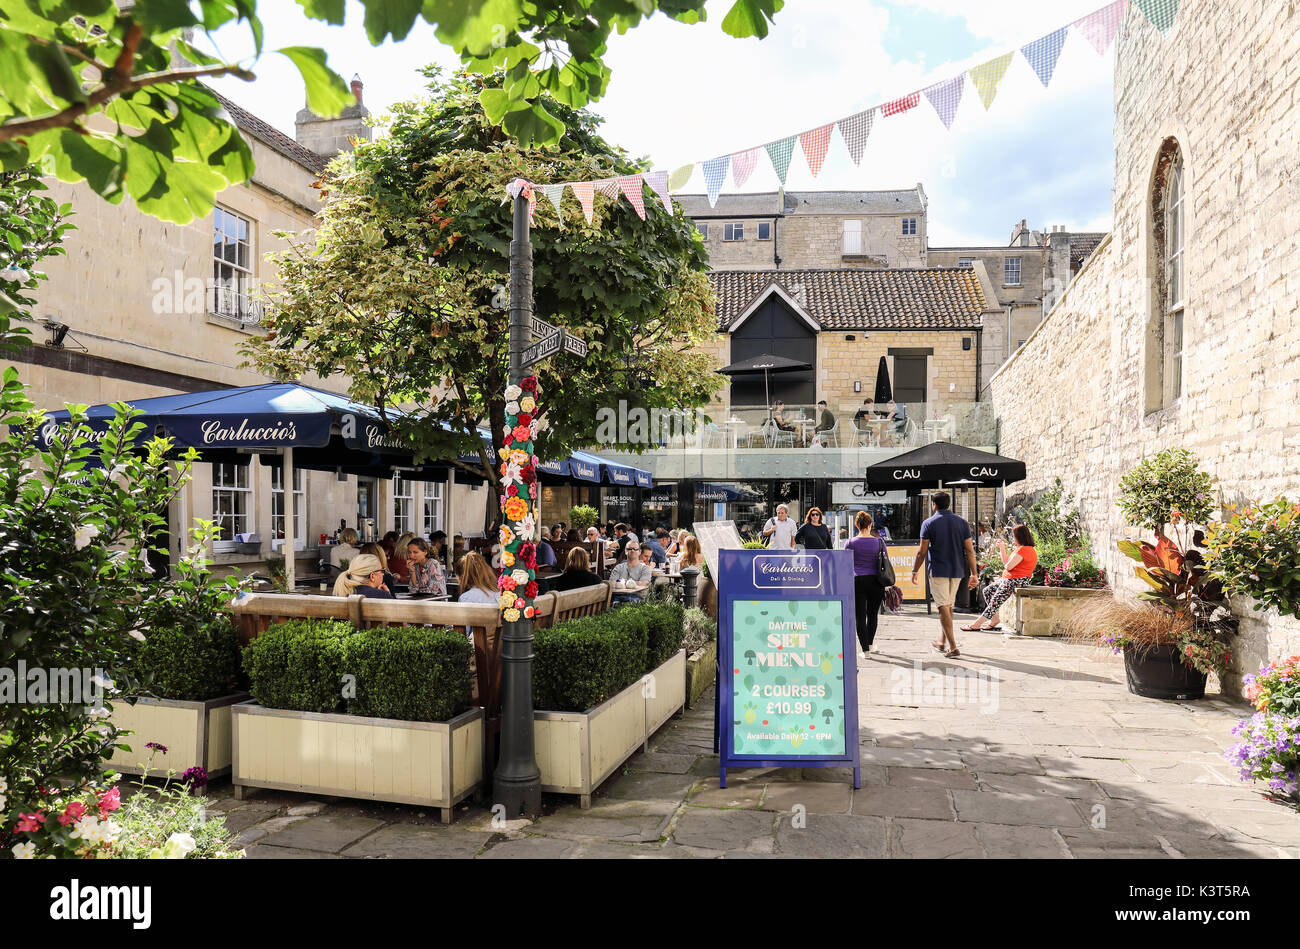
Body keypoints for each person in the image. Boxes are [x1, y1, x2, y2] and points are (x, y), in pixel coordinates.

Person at [910, 491, 978, 659]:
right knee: (947, 606)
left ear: (934, 504)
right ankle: (942, 641)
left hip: (938, 569)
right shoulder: (962, 522)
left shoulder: (928, 523)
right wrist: (974, 574)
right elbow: (970, 550)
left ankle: (953, 647)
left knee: (942, 607)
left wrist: (915, 570)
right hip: (956, 570)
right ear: (949, 504)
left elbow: (922, 552)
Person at [964, 525, 1038, 632]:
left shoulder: (1024, 550)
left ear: (1019, 536)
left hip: (1015, 580)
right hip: (1011, 579)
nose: (1013, 538)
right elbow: (1006, 563)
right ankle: (994, 619)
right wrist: (1002, 548)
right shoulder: (1021, 549)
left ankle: (976, 624)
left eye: (1014, 536)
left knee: (995, 601)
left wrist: (1007, 566)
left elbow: (1008, 566)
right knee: (988, 591)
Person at [846, 512, 888, 653]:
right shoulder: (879, 542)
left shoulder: (850, 542)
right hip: (876, 581)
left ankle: (865, 650)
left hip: (857, 580)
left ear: (856, 525)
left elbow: (844, 564)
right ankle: (870, 644)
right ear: (870, 524)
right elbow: (886, 561)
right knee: (872, 615)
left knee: (860, 616)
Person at [610, 540, 651, 604]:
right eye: (629, 549)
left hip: (636, 597)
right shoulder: (618, 567)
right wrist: (632, 584)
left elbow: (643, 584)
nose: (632, 551)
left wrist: (621, 582)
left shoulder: (645, 568)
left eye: (635, 549)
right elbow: (612, 583)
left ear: (639, 552)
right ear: (625, 551)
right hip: (618, 597)